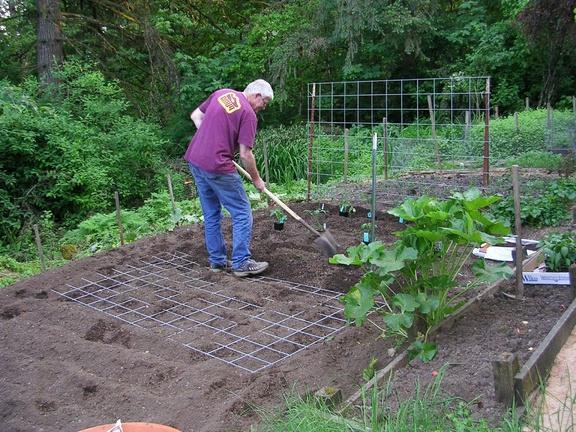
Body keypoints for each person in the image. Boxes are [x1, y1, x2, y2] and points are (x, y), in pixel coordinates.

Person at [183, 79, 273, 277]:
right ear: (257, 95)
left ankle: (217, 261)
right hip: (217, 166)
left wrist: (212, 142)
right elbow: (245, 154)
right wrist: (257, 180)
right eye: (264, 102)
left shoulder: (222, 93)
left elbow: (196, 116)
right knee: (242, 212)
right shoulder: (248, 114)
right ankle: (241, 263)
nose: (263, 107)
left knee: (211, 214)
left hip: (196, 160)